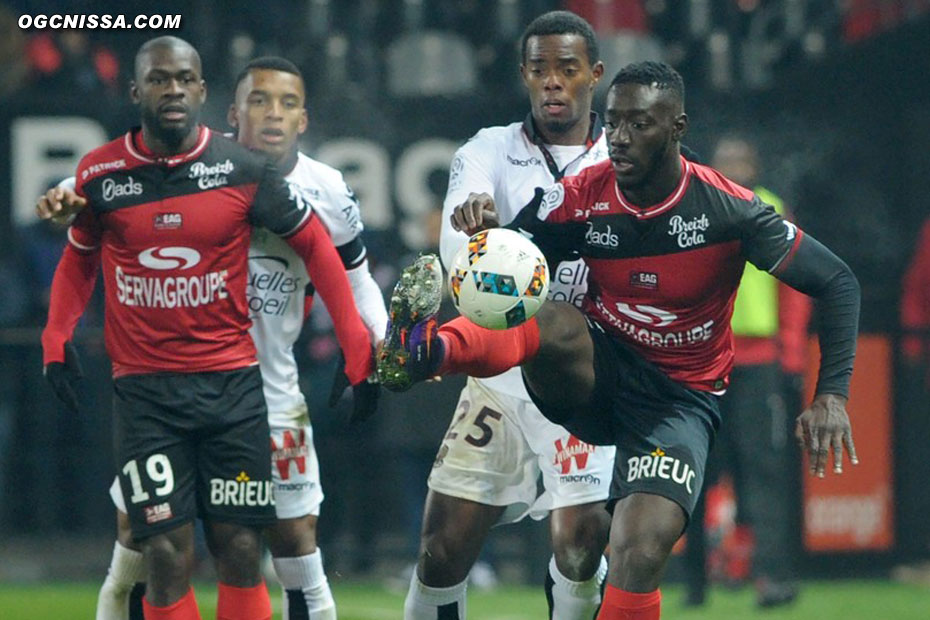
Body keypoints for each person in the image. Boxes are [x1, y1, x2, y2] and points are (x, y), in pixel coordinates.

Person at [378, 61, 860, 620]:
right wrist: (491, 237)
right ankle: (429, 350)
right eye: (615, 123)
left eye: (641, 124)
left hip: (678, 399)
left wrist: (831, 394)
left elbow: (836, 281)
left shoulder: (730, 208)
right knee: (549, 314)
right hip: (597, 374)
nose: (622, 138)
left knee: (637, 548)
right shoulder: (580, 194)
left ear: (678, 128)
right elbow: (510, 273)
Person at [39, 55, 388, 620]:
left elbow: (351, 272)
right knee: (143, 541)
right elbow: (101, 186)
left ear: (304, 117)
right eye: (259, 100)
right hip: (151, 390)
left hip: (257, 390)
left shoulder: (318, 188)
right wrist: (61, 193)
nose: (273, 114)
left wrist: (367, 348)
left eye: (288, 103)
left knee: (283, 541)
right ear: (231, 109)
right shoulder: (198, 158)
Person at [400, 12, 616, 620]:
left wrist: (513, 245)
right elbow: (453, 252)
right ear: (523, 75)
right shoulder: (488, 150)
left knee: (578, 548)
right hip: (499, 379)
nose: (553, 82)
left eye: (567, 70)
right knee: (441, 550)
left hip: (582, 377)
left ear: (593, 76)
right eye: (540, 69)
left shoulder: (619, 155)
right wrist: (481, 240)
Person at [681, 135, 810, 608]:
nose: (735, 167)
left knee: (766, 473)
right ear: (713, 166)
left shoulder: (773, 211)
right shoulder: (692, 208)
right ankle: (693, 584)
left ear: (755, 165)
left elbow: (796, 286)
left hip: (757, 363)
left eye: (742, 159)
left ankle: (772, 580)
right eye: (727, 161)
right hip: (701, 362)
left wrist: (791, 355)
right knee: (692, 473)